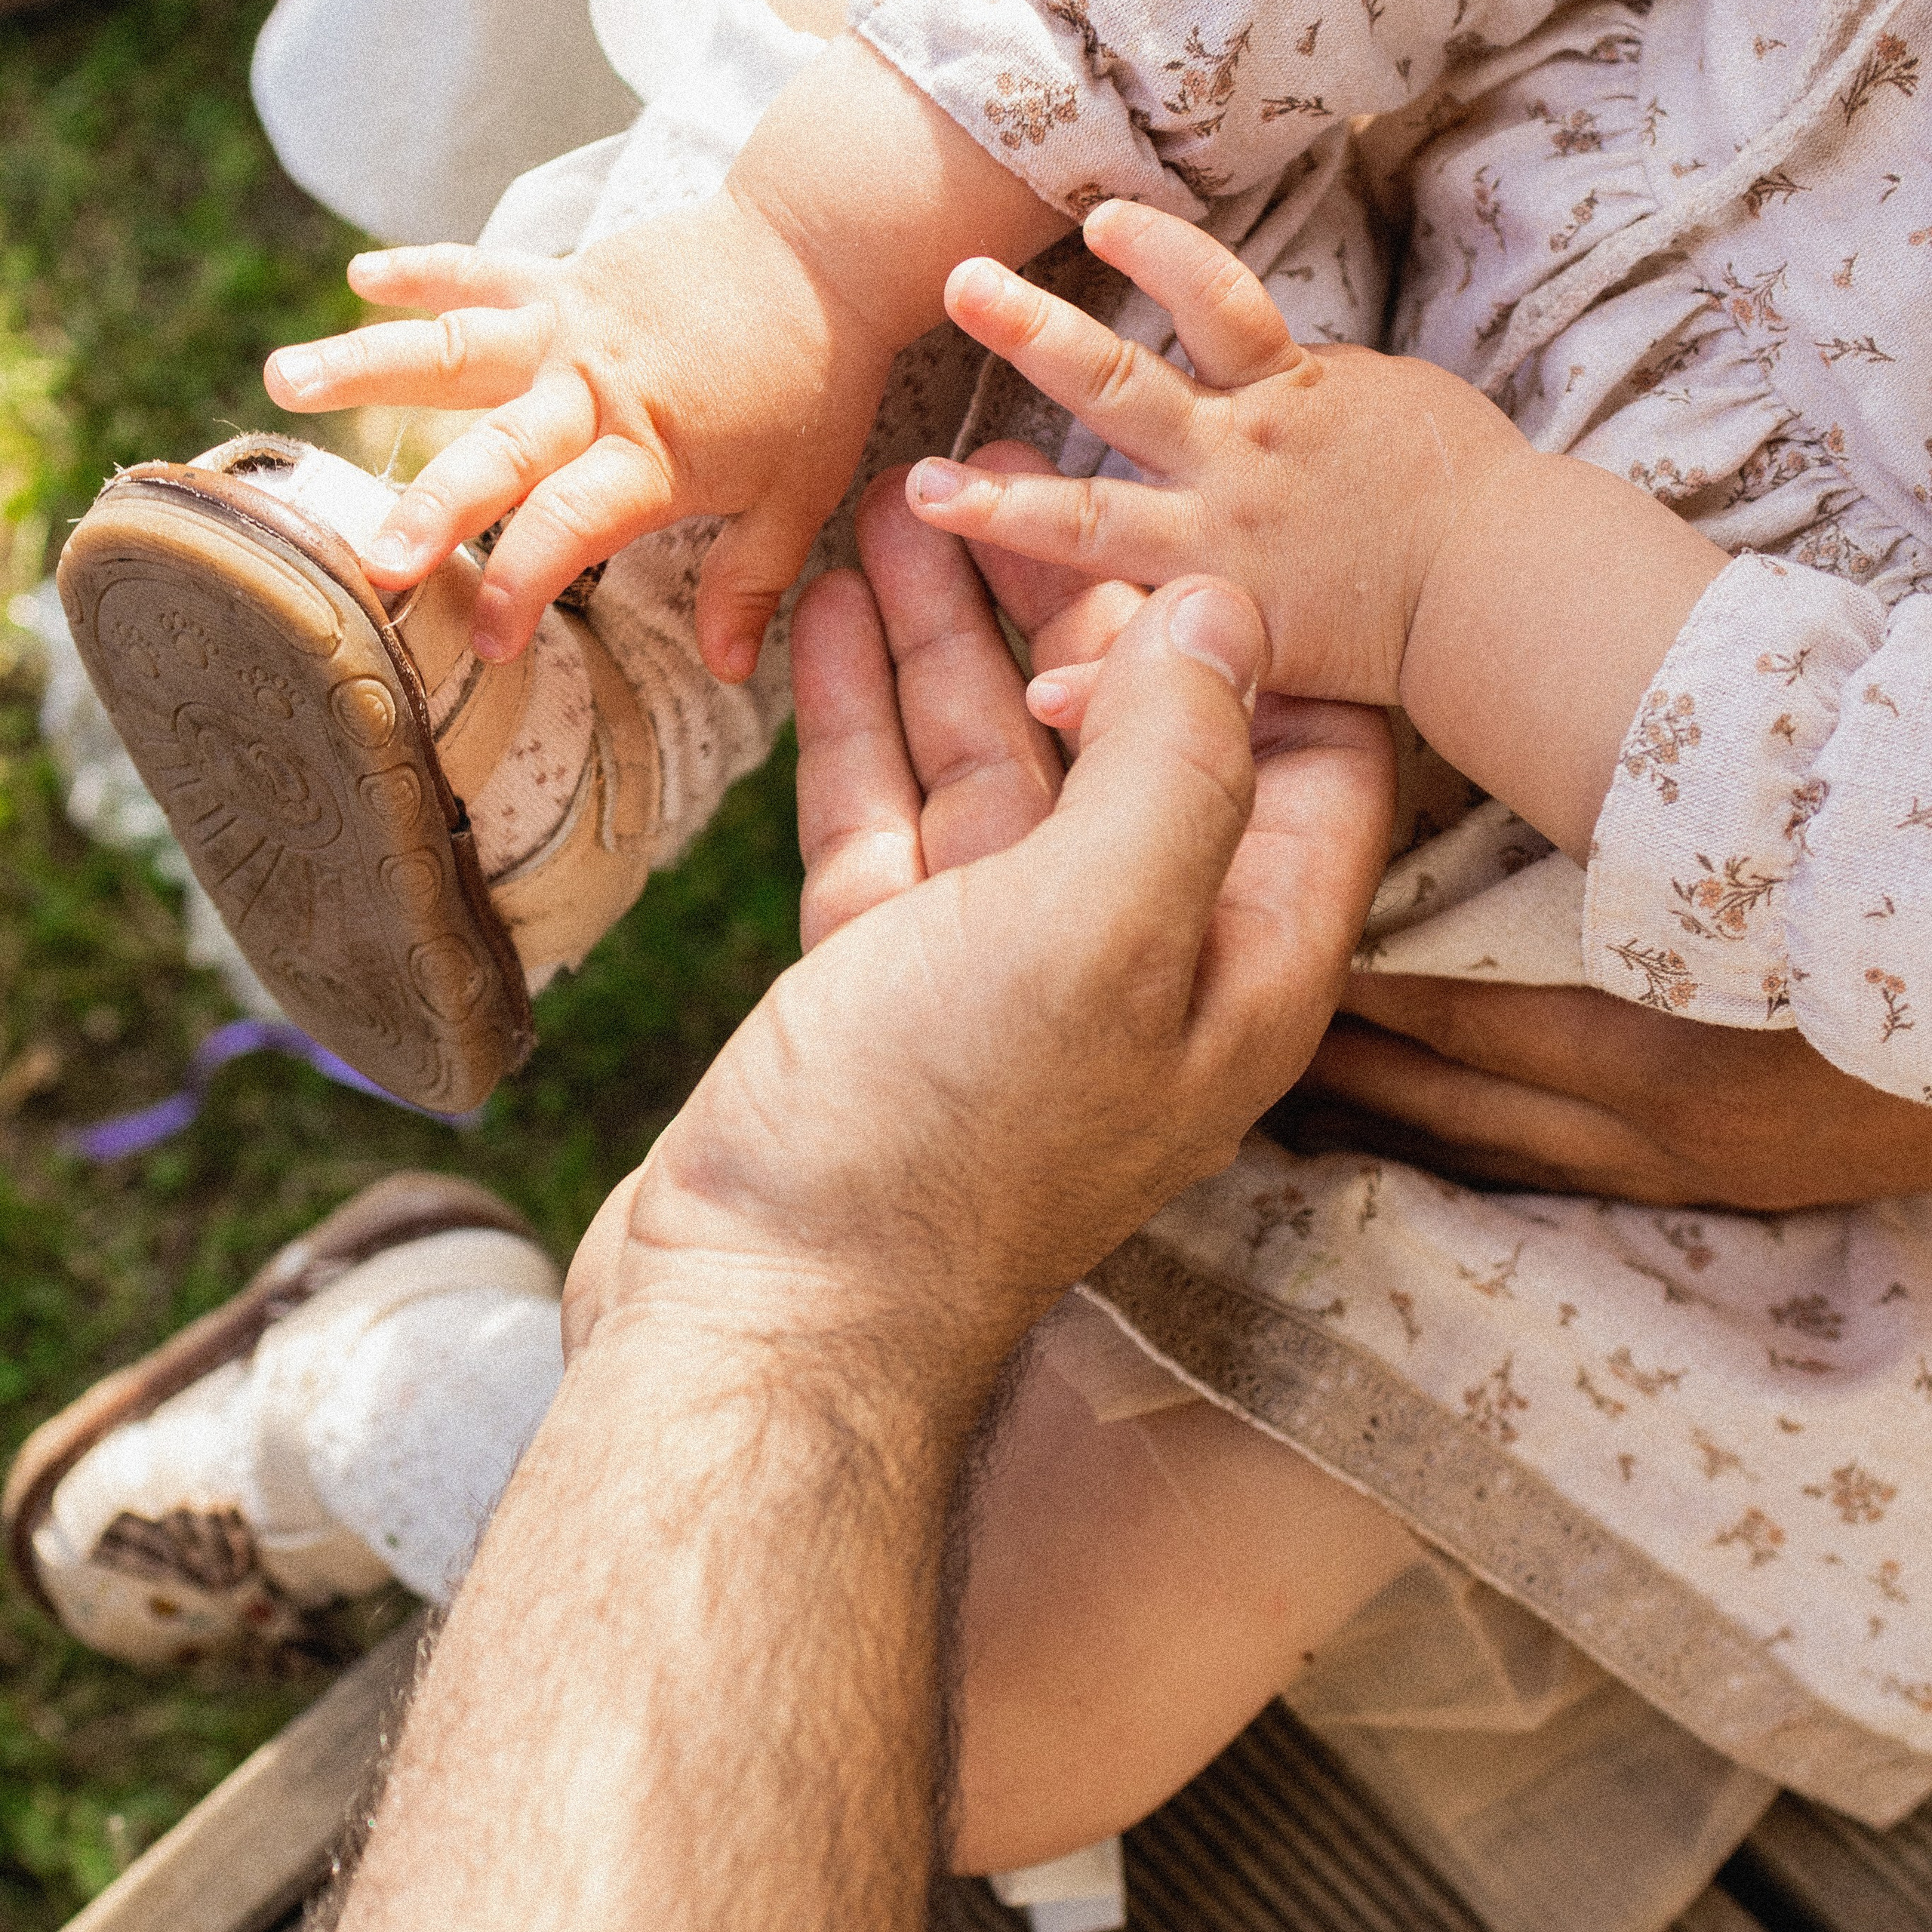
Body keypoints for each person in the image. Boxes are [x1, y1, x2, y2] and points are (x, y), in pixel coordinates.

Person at [29, 0, 1932, 1923]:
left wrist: (1464, 579)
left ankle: (413, 1383)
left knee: (998, 1708)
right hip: (1315, 344)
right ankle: (561, 680)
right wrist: (796, 249)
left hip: (1671, 1070)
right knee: (993, 211)